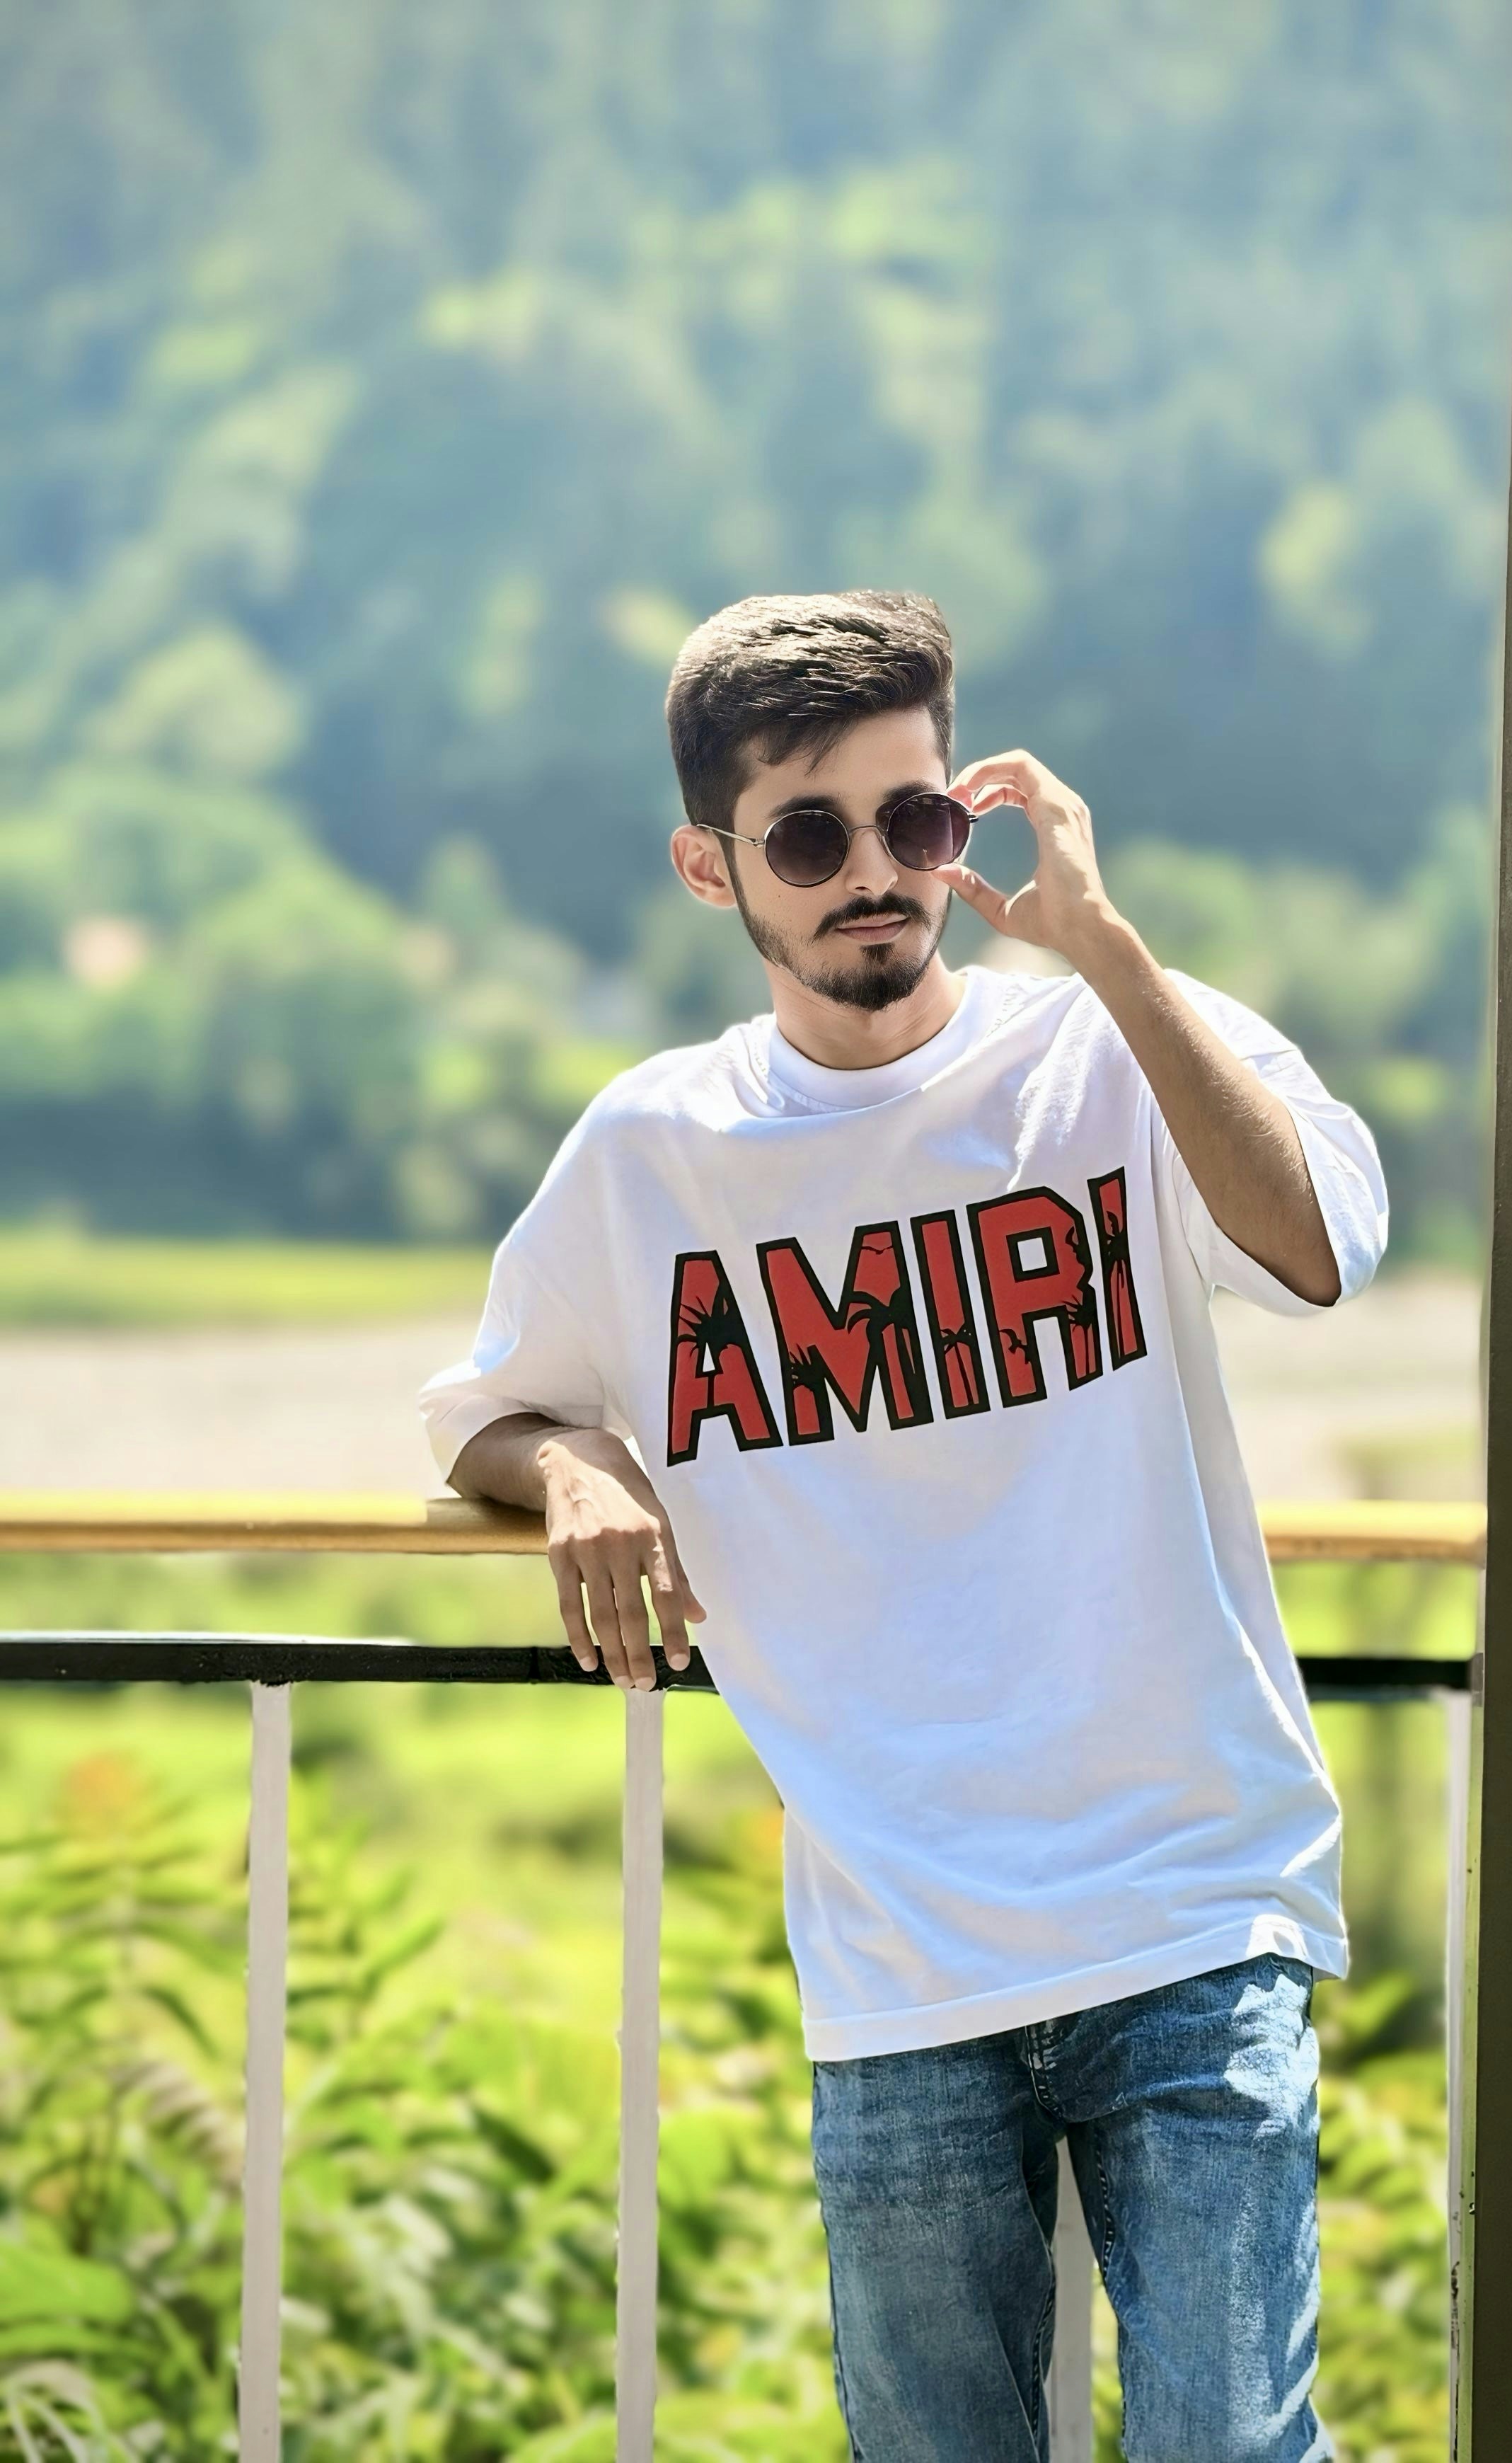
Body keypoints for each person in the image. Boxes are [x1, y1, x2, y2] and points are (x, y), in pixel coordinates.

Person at [417, 590, 1386, 2463]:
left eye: (916, 819)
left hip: (1192, 1900)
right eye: (810, 835)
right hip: (897, 1953)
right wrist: (578, 1467)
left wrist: (1106, 952)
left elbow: (1316, 1251)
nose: (876, 873)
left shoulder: (1108, 1047)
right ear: (710, 868)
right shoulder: (651, 1154)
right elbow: (483, 1409)